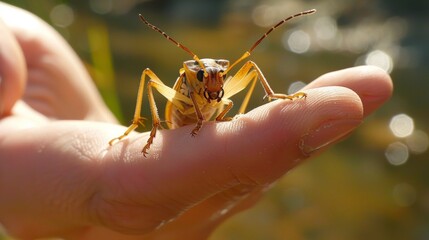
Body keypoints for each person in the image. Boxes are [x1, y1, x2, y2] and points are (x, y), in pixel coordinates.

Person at [0, 2, 393, 240]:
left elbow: (241, 75)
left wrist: (270, 100)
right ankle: (143, 126)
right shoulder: (189, 81)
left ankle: (274, 99)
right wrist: (152, 127)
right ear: (196, 74)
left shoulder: (222, 79)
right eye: (208, 76)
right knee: (149, 75)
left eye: (218, 76)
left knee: (252, 67)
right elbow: (152, 83)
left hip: (207, 124)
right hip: (176, 118)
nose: (215, 81)